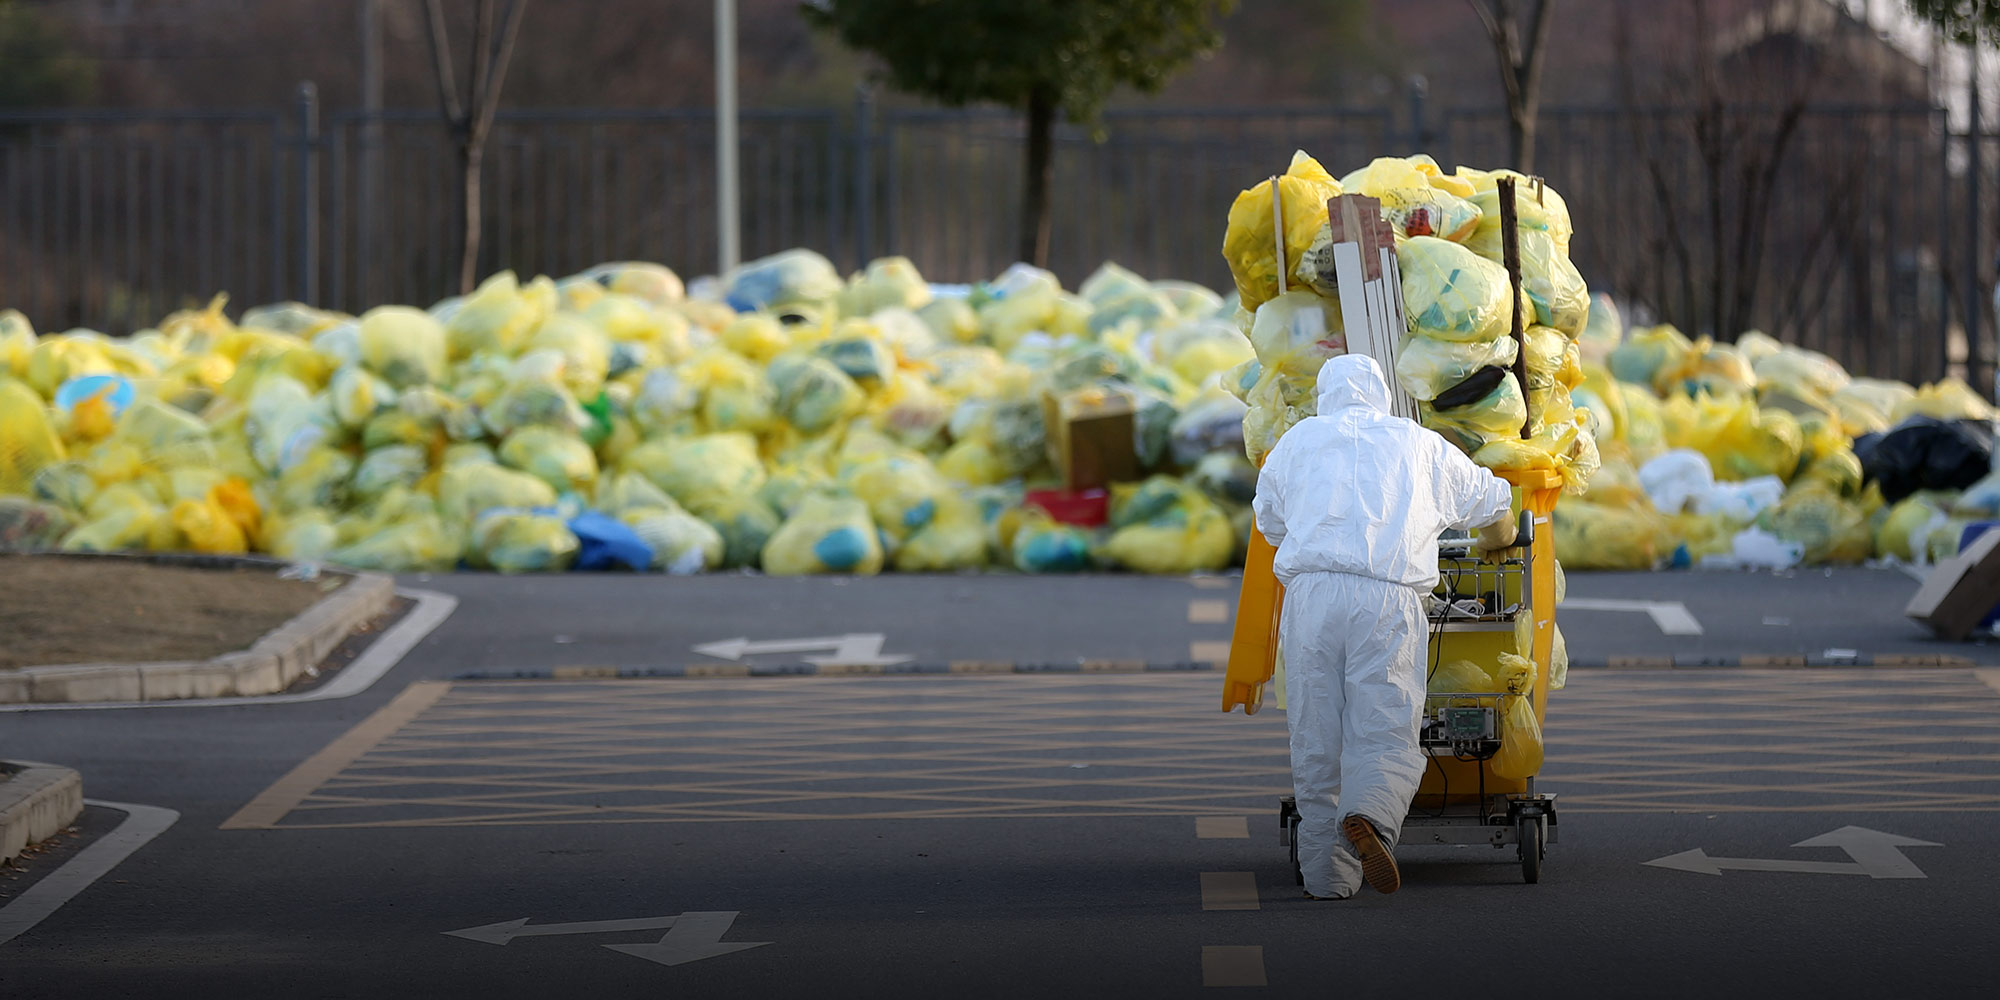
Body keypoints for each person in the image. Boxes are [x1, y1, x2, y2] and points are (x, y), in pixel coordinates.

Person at [1252, 354, 1517, 899]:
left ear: (1327, 396)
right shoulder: (1417, 443)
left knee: (1316, 735)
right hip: (1387, 598)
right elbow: (1493, 501)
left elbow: (1269, 521)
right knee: (1384, 727)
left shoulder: (1297, 443)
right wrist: (1501, 535)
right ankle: (1370, 815)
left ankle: (1328, 880)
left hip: (1312, 596)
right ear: (1382, 395)